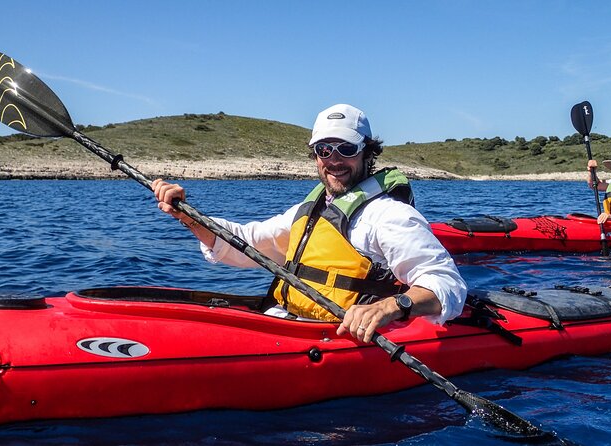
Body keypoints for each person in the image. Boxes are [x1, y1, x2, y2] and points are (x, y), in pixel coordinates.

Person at [153, 103, 467, 342]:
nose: (334, 160)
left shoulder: (390, 216)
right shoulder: (311, 210)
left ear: (366, 153)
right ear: (315, 154)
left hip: (337, 338)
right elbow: (246, 242)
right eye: (324, 149)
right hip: (285, 322)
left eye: (346, 149)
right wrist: (187, 215)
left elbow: (447, 284)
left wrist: (387, 308)